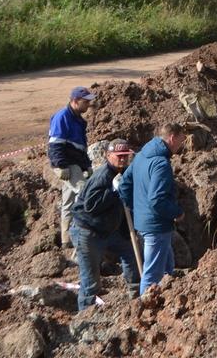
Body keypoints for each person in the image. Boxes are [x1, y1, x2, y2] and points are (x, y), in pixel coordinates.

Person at [70, 139, 140, 310]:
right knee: (91, 280)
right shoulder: (102, 176)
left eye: (125, 156)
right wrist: (113, 190)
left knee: (130, 252)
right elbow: (91, 206)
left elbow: (123, 206)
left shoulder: (122, 174)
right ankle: (84, 317)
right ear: (109, 156)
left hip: (108, 229)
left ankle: (137, 298)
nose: (123, 159)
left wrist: (127, 232)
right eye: (119, 156)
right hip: (88, 231)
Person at [118, 123, 185, 295]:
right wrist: (176, 212)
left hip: (146, 223)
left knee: (167, 269)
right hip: (156, 226)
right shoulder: (161, 164)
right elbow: (156, 200)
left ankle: (164, 302)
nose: (182, 142)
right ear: (172, 138)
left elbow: (124, 184)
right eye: (181, 139)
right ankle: (143, 309)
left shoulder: (141, 156)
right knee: (152, 275)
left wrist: (136, 209)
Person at [48, 86, 95, 248]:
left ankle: (66, 239)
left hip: (75, 163)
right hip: (66, 164)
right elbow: (55, 145)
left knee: (69, 201)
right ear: (75, 101)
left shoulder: (78, 119)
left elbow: (80, 147)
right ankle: (84, 236)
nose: (89, 104)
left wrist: (87, 166)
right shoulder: (63, 117)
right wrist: (61, 166)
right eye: (86, 101)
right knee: (85, 193)